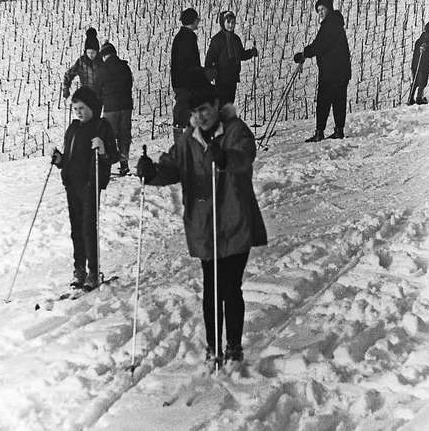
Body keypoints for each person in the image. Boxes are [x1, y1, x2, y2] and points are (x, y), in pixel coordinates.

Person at [135, 75, 267, 369]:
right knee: (211, 289)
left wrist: (224, 157)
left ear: (216, 106)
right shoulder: (188, 140)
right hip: (204, 227)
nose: (200, 117)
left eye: (204, 110)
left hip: (234, 222)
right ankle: (213, 346)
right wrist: (151, 171)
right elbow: (172, 167)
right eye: (194, 113)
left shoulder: (235, 131)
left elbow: (244, 155)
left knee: (230, 287)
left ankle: (233, 346)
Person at [51, 87, 119, 291]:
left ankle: (93, 271)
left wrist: (103, 148)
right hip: (72, 184)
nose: (78, 112)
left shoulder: (101, 126)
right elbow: (69, 160)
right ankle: (79, 269)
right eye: (75, 108)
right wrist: (59, 159)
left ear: (92, 107)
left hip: (90, 184)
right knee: (76, 230)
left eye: (82, 108)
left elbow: (113, 156)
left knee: (88, 229)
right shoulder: (72, 129)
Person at [294, 0, 351, 142]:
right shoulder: (336, 23)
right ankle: (338, 131)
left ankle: (320, 133)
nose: (320, 13)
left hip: (331, 72)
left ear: (329, 9)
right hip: (340, 71)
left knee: (323, 102)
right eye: (318, 10)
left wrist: (303, 53)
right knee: (339, 101)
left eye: (322, 9)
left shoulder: (330, 24)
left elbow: (319, 45)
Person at [93, 41, 134, 176]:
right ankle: (124, 164)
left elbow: (96, 92)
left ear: (104, 55)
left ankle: (106, 166)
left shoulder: (102, 69)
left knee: (108, 136)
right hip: (126, 106)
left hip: (111, 107)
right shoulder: (125, 67)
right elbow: (130, 85)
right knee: (124, 135)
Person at [205, 10, 258, 107]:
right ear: (222, 22)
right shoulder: (217, 40)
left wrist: (251, 53)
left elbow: (241, 55)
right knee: (221, 101)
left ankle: (227, 120)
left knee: (230, 101)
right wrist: (209, 70)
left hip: (233, 76)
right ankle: (220, 120)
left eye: (233, 22)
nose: (231, 25)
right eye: (228, 22)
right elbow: (210, 57)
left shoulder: (236, 39)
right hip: (221, 76)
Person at [171, 8, 207, 144]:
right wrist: (201, 73)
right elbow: (189, 63)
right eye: (197, 19)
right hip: (186, 83)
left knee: (186, 114)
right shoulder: (187, 37)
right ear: (192, 20)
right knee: (182, 114)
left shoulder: (183, 36)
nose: (198, 22)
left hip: (183, 82)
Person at [62, 28, 103, 99]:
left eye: (93, 53)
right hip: (85, 97)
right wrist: (66, 88)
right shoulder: (82, 62)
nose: (90, 55)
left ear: (97, 51)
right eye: (88, 52)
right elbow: (69, 74)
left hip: (99, 98)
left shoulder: (102, 62)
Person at [408, 22, 429, 105]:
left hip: (415, 64)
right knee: (422, 82)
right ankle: (419, 98)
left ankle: (410, 98)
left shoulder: (419, 40)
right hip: (423, 65)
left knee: (415, 81)